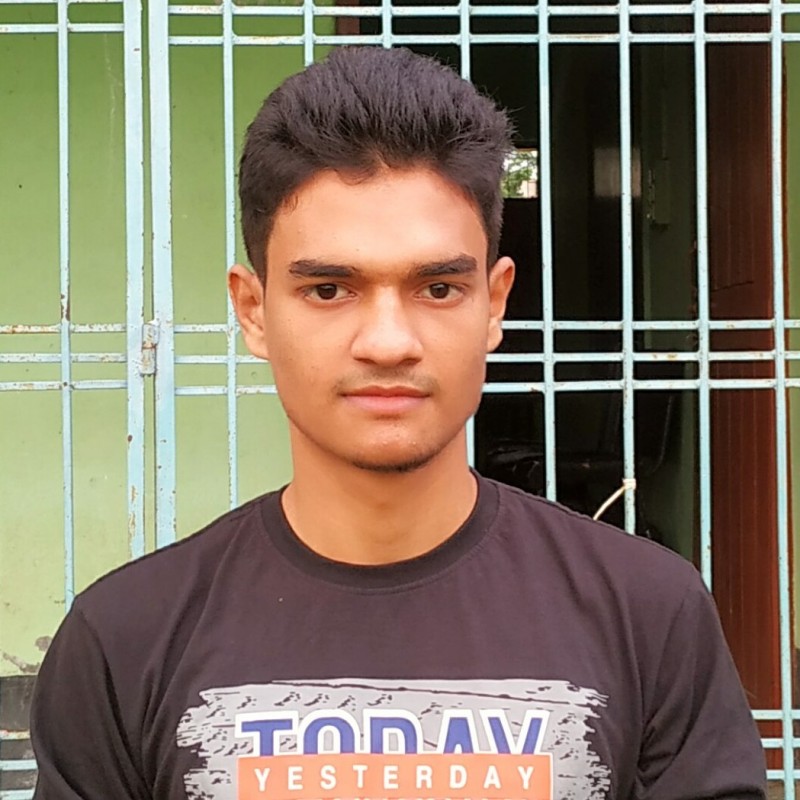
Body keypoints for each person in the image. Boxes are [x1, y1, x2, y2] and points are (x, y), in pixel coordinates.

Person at [30, 46, 766, 799]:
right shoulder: (125, 639)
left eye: (438, 288)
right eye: (329, 290)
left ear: (494, 303)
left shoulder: (648, 611)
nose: (388, 343)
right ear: (253, 310)